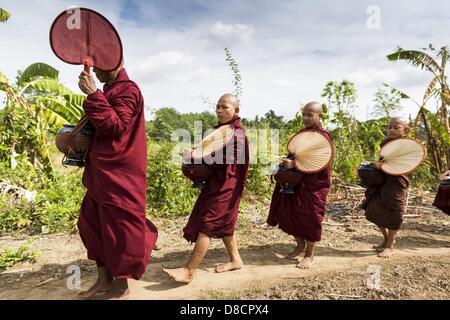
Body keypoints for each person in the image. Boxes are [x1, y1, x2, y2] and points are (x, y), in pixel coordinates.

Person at [77, 61, 158, 299]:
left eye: (101, 67)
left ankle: (121, 286)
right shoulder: (110, 90)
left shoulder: (128, 89)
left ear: (116, 64)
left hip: (122, 173)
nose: (97, 72)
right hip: (101, 172)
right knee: (90, 223)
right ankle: (103, 279)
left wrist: (93, 94)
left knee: (121, 229)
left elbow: (116, 126)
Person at [163, 93, 249, 283]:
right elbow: (208, 150)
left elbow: (224, 158)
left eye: (224, 107)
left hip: (227, 186)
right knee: (225, 224)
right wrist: (195, 152)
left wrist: (195, 156)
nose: (219, 110)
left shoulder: (237, 133)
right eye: (217, 106)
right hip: (216, 183)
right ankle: (236, 260)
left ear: (236, 110)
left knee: (207, 224)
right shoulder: (220, 131)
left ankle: (189, 270)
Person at [267, 102, 332, 269]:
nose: (305, 118)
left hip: (315, 185)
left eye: (310, 114)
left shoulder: (323, 136)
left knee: (311, 217)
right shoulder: (302, 134)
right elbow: (295, 153)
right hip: (296, 181)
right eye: (304, 114)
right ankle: (299, 244)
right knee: (290, 214)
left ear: (320, 116)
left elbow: (319, 160)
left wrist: (294, 164)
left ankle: (310, 255)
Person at [362, 117, 410, 258]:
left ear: (405, 129)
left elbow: (405, 164)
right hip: (383, 181)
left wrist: (383, 165)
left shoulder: (408, 145)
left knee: (394, 212)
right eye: (390, 127)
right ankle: (386, 239)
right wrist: (376, 165)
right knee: (373, 210)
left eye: (397, 127)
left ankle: (390, 246)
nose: (392, 130)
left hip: (397, 182)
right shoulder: (386, 144)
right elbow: (383, 161)